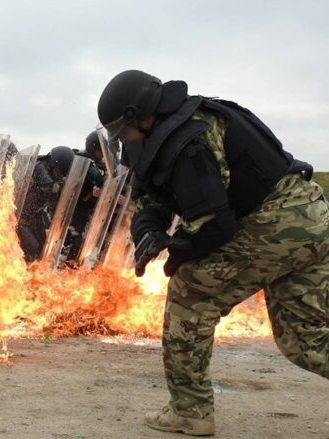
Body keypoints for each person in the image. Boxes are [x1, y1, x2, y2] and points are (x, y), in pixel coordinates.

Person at [97, 69, 329, 435]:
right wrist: (148, 229)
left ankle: (189, 411)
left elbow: (212, 224)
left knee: (190, 294)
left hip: (276, 221)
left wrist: (178, 255)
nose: (123, 140)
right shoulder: (181, 123)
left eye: (122, 131)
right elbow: (157, 192)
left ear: (138, 115)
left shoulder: (190, 140)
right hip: (310, 216)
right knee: (305, 340)